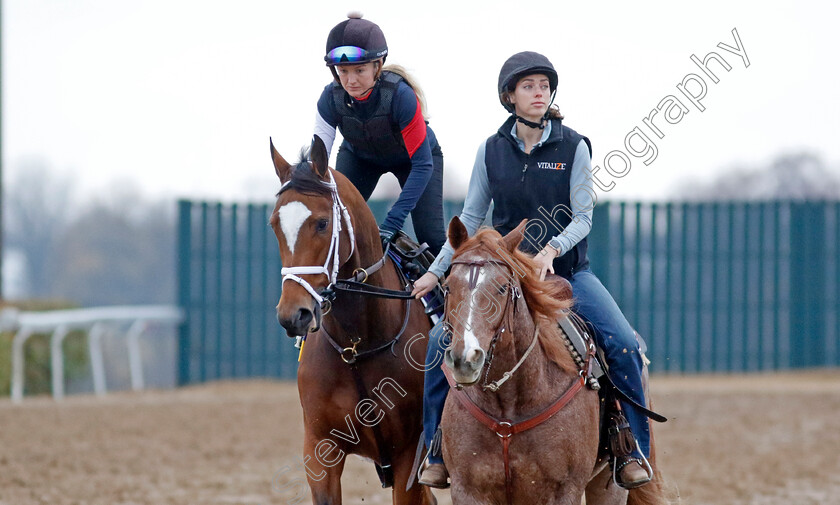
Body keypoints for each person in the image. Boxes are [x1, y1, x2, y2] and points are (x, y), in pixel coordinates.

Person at [411, 51, 653, 489]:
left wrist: (551, 250)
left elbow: (584, 215)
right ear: (510, 96)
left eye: (544, 85)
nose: (538, 92)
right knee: (435, 346)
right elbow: (470, 216)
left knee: (622, 344)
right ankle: (435, 449)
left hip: (570, 274)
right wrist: (434, 272)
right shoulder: (491, 150)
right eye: (529, 86)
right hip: (505, 277)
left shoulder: (573, 145)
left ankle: (633, 450)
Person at [314, 12, 445, 255]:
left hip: (415, 163)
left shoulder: (401, 96)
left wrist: (393, 221)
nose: (351, 81)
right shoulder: (328, 99)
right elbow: (318, 164)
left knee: (432, 238)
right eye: (343, 71)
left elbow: (423, 165)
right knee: (333, 225)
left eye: (360, 70)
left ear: (378, 65)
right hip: (361, 159)